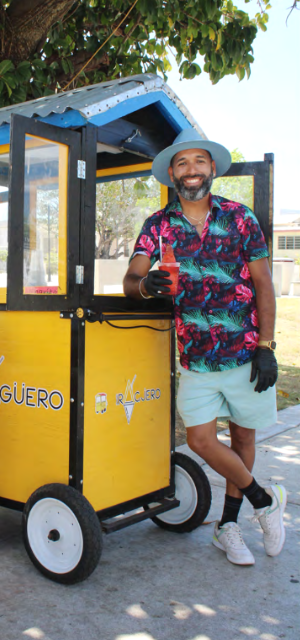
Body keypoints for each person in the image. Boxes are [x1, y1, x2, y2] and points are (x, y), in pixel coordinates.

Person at [123, 128, 286, 566]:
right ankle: (266, 501)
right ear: (172, 174)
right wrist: (146, 285)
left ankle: (228, 527)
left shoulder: (241, 218)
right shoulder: (157, 227)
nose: (190, 170)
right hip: (194, 358)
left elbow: (264, 285)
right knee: (199, 439)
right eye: (182, 163)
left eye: (198, 161)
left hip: (245, 353)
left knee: (242, 439)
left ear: (212, 168)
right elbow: (130, 281)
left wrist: (267, 346)